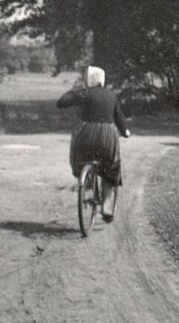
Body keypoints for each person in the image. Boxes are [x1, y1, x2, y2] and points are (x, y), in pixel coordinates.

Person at [56, 65, 131, 220]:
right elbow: (119, 118)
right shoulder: (111, 95)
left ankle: (87, 187)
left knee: (80, 158)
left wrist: (75, 90)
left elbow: (61, 102)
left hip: (86, 134)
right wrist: (125, 132)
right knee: (111, 166)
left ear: (88, 80)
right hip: (107, 135)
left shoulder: (84, 93)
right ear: (102, 80)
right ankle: (106, 205)